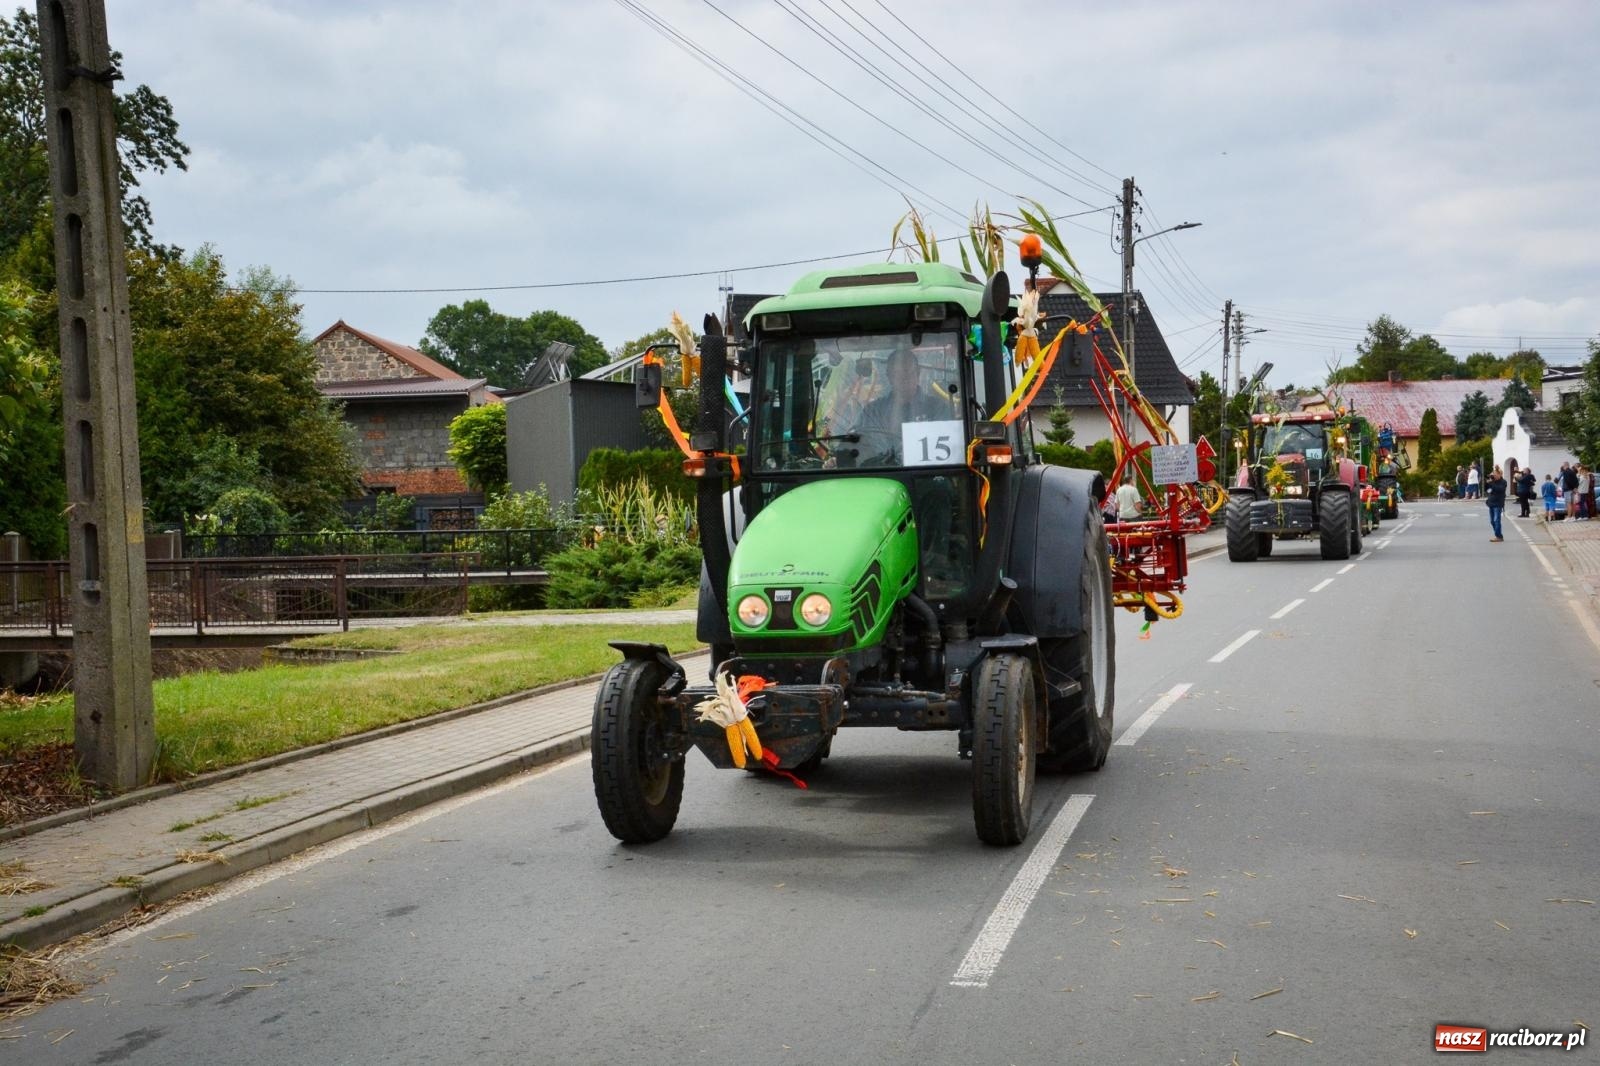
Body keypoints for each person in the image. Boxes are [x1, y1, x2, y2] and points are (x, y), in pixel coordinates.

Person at [853, 347, 957, 466]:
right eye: (897, 375)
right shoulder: (873, 412)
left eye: (908, 373)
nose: (904, 379)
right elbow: (858, 445)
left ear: (918, 373)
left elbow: (949, 451)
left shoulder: (938, 409)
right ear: (889, 377)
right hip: (883, 474)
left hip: (927, 475)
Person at [1484, 465, 1507, 541]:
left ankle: (1499, 536)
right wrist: (1487, 483)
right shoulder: (1492, 482)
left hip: (1498, 503)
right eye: (1493, 474)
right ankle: (1498, 535)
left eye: (1495, 474)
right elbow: (1487, 490)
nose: (1494, 476)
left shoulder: (1503, 482)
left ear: (1500, 474)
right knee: (1492, 521)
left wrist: (1492, 483)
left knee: (1496, 520)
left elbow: (1499, 489)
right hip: (1491, 502)